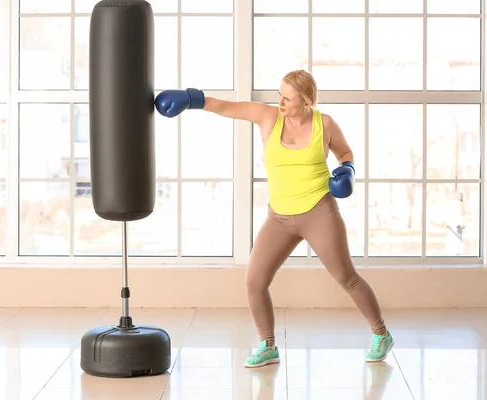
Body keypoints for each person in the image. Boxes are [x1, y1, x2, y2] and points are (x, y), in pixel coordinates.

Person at [154, 69, 394, 367]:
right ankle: (268, 345)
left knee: (347, 277)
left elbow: (345, 152)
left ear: (306, 102)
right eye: (279, 94)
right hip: (279, 216)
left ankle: (381, 334)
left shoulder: (325, 124)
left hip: (319, 211)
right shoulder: (269, 118)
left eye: (287, 98)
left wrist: (347, 170)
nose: (280, 102)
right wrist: (193, 99)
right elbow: (228, 107)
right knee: (255, 281)